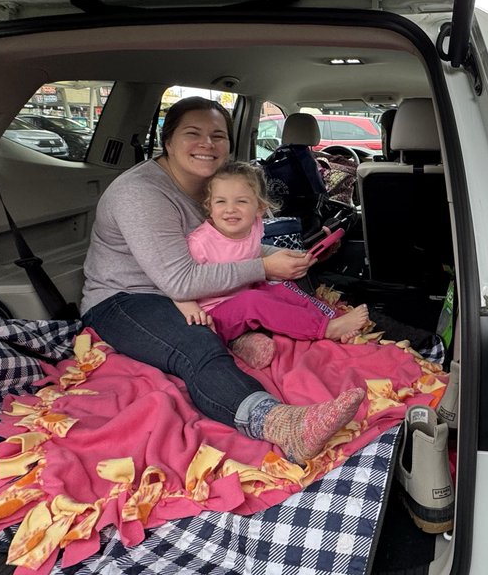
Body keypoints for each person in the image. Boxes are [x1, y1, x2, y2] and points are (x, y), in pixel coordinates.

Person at [80, 97, 364, 463]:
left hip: (192, 291)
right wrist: (264, 267)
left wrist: (284, 258)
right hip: (127, 298)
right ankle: (280, 424)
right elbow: (180, 281)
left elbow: (231, 247)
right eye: (193, 133)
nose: (207, 144)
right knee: (198, 344)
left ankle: (242, 337)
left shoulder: (214, 183)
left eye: (218, 136)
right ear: (168, 142)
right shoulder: (141, 194)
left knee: (275, 295)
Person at [174, 161, 369, 357]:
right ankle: (325, 329)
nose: (230, 209)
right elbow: (176, 283)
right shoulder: (200, 242)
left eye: (241, 201)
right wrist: (189, 308)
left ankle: (332, 319)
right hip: (214, 316)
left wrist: (300, 257)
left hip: (245, 295)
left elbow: (249, 253)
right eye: (220, 202)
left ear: (259, 208)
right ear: (209, 206)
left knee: (281, 288)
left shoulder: (253, 227)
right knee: (254, 301)